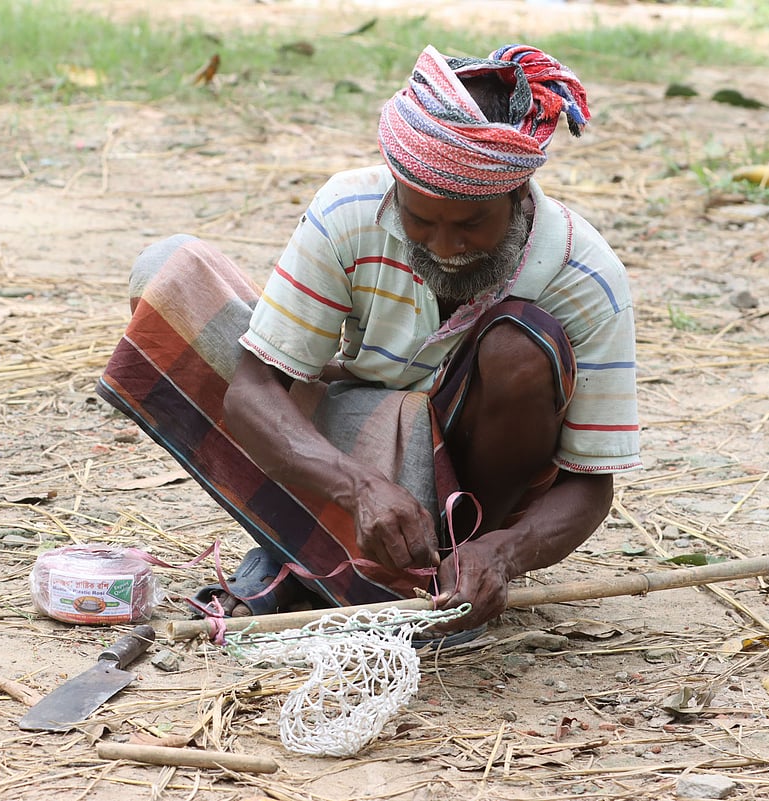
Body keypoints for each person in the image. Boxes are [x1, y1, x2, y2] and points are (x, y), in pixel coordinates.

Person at [98, 44, 641, 635]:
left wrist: (501, 554)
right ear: (397, 189)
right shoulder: (351, 209)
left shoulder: (587, 277)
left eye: (471, 223)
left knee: (521, 344)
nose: (444, 246)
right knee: (171, 271)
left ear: (517, 196)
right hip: (357, 449)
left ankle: (437, 573)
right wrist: (358, 489)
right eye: (420, 220)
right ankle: (321, 555)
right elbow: (255, 390)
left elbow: (590, 486)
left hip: (462, 502)